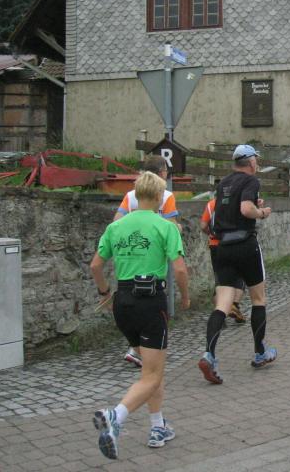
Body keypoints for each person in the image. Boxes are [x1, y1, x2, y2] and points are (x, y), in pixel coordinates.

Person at [90, 171, 190, 460]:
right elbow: (179, 269)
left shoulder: (116, 227)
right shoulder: (165, 226)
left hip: (122, 303)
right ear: (159, 197)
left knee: (151, 369)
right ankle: (116, 416)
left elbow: (95, 266)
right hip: (150, 302)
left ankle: (158, 427)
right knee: (153, 374)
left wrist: (104, 291)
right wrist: (185, 297)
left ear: (135, 196)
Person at [198, 144, 277, 384]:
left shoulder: (223, 183)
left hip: (223, 247)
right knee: (258, 299)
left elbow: (227, 208)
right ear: (251, 162)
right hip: (245, 244)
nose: (257, 164)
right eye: (256, 160)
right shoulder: (251, 180)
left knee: (222, 303)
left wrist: (252, 204)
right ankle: (260, 352)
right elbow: (245, 209)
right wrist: (261, 212)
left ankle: (209, 354)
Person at [114, 155, 179, 368]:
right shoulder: (167, 195)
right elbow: (172, 224)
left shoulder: (130, 195)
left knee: (133, 298)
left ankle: (136, 348)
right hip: (155, 252)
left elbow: (117, 221)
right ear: (161, 173)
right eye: (166, 170)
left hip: (132, 253)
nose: (167, 174)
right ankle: (144, 349)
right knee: (153, 299)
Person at [200, 197, 246, 324]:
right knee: (239, 276)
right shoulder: (238, 202)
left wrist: (210, 234)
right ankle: (234, 305)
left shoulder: (211, 204)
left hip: (215, 245)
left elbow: (203, 225)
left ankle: (220, 314)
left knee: (219, 280)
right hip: (234, 243)